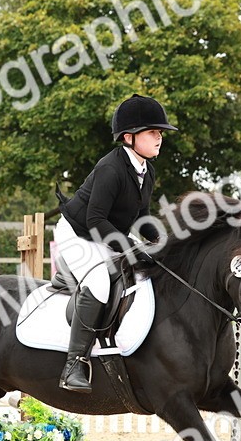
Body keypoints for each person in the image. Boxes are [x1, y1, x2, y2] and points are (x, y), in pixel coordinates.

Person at [54, 93, 178, 393]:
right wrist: (131, 250)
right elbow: (95, 220)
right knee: (99, 282)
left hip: (107, 231)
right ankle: (74, 365)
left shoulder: (146, 170)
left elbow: (142, 216)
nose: (159, 137)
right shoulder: (110, 169)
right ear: (128, 137)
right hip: (77, 233)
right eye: (152, 132)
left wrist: (162, 242)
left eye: (160, 132)